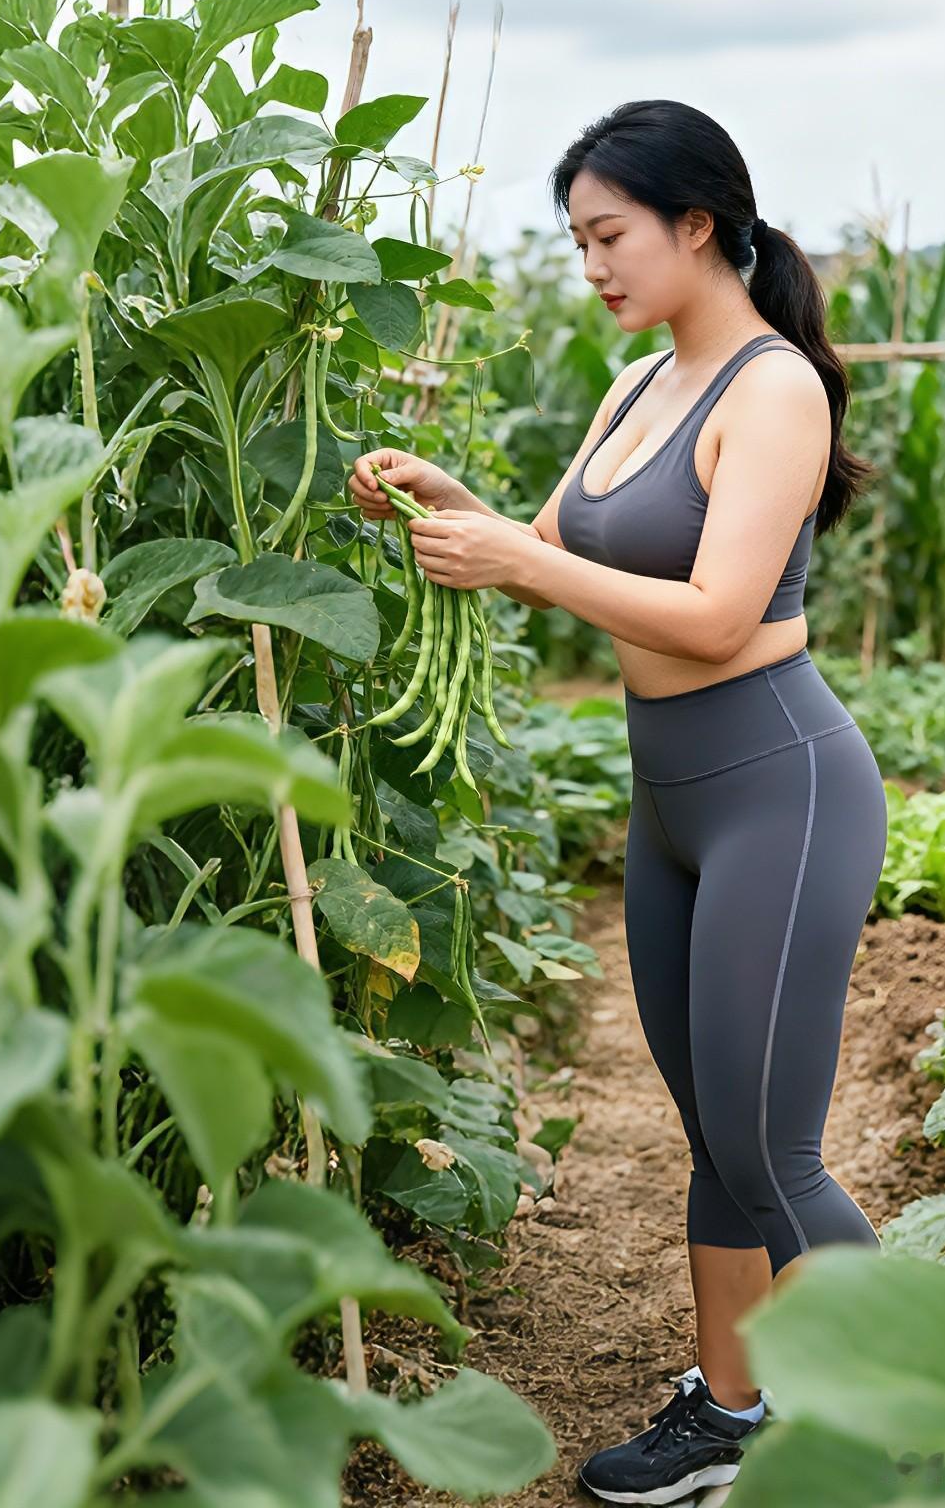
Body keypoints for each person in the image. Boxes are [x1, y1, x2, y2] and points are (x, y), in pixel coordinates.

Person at [349, 98, 889, 1505]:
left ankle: (939, 1431)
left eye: (610, 235)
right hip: (672, 802)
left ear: (697, 224)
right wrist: (439, 507)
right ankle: (731, 1414)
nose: (591, 265)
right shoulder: (643, 380)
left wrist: (521, 570)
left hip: (780, 785)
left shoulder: (772, 389)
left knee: (773, 1152)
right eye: (578, 239)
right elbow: (551, 544)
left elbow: (713, 617)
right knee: (717, 1131)